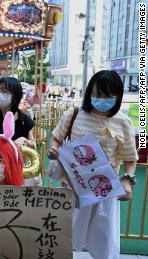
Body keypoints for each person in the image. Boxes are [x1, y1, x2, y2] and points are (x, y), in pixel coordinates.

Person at [48, 70, 137, 259]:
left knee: (105, 241)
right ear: (89, 93)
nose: (101, 100)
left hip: (104, 191)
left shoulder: (123, 122)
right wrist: (54, 149)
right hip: (72, 187)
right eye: (97, 95)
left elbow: (130, 158)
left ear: (117, 97)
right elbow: (56, 137)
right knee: (63, 236)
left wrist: (128, 181)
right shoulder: (74, 114)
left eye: (108, 96)